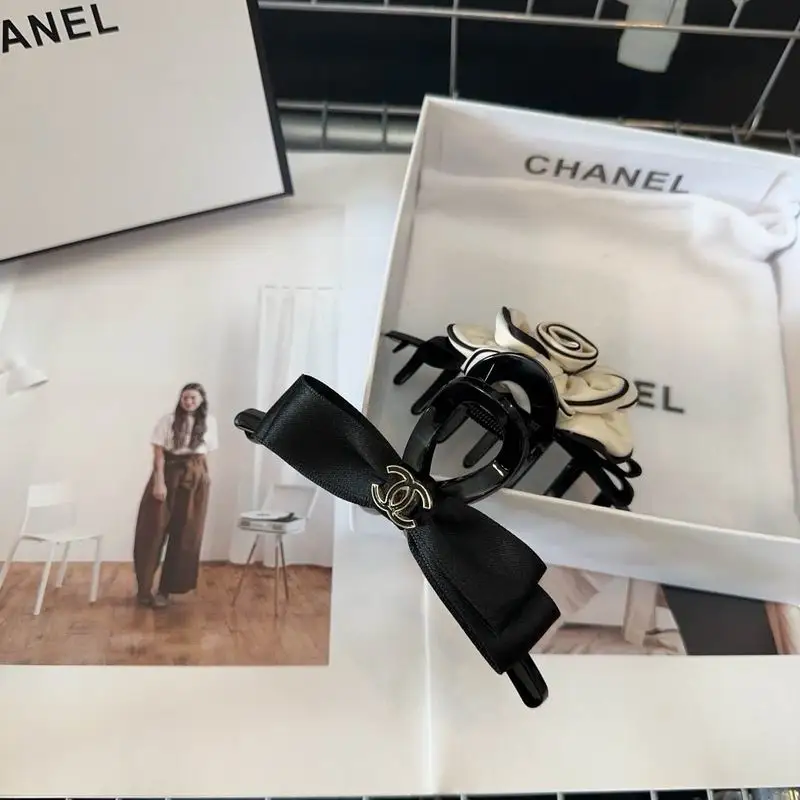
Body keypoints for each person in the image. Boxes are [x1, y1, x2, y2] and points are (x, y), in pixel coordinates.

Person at [133, 383, 218, 608]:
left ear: (201, 400)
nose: (188, 402)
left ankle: (166, 590)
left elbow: (204, 455)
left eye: (193, 398)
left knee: (186, 533)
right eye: (185, 397)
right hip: (169, 473)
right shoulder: (168, 420)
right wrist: (159, 482)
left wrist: (205, 478)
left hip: (196, 476)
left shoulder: (210, 422)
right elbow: (158, 454)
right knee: (152, 530)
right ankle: (144, 589)